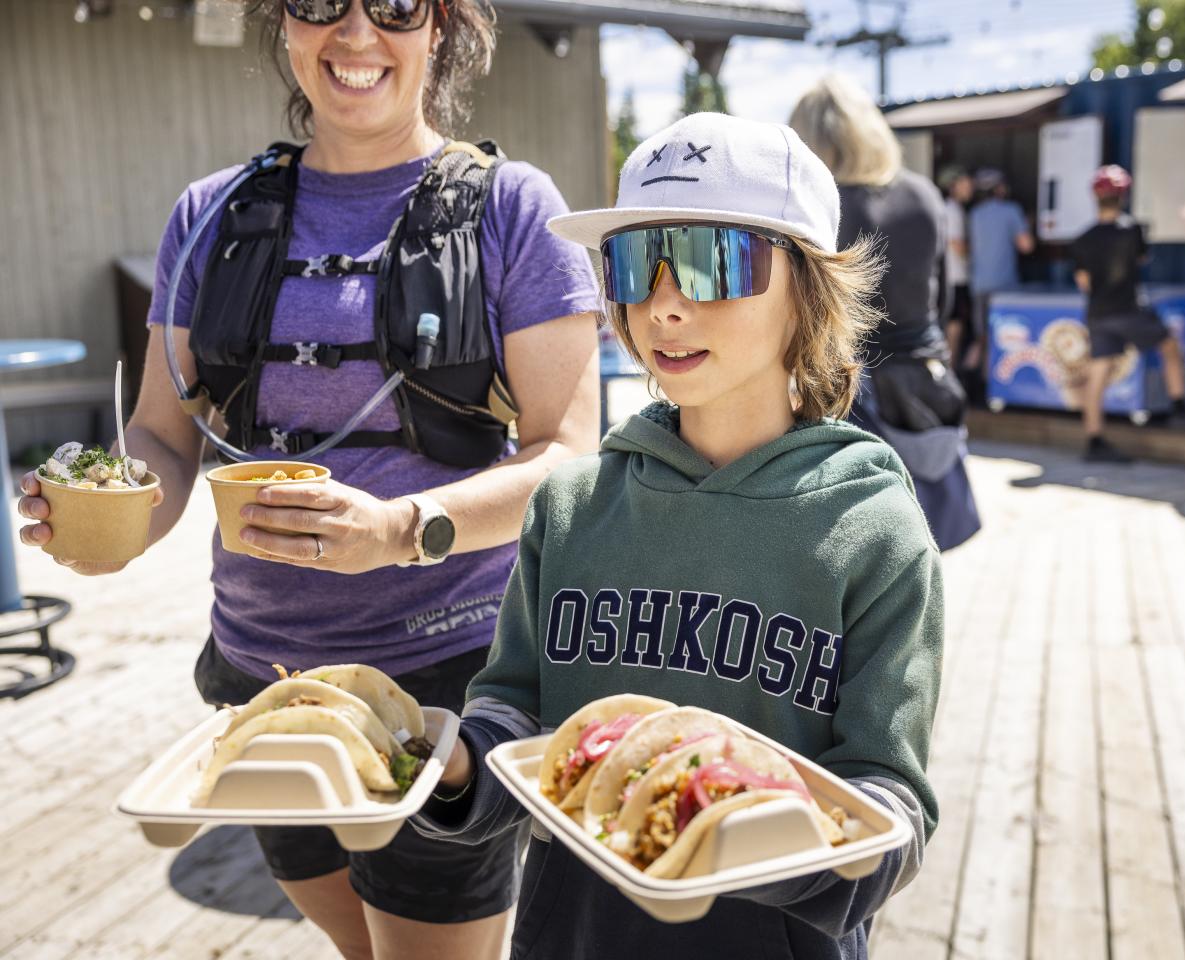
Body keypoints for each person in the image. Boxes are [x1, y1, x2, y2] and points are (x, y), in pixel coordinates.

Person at [16, 1, 602, 956]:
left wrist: (401, 528)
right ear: (283, 25)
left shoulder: (513, 210)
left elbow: (570, 458)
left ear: (443, 27)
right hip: (258, 682)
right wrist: (102, 511)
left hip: (440, 685)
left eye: (398, 6)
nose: (357, 32)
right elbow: (162, 440)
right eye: (320, 1)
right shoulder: (209, 218)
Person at [411, 111, 943, 960]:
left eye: (707, 259)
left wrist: (743, 835)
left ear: (807, 285)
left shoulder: (874, 530)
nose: (662, 303)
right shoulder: (571, 505)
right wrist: (456, 765)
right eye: (632, 263)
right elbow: (514, 718)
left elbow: (892, 804)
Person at [789, 74, 979, 550]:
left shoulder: (820, 208)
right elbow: (944, 297)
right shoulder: (924, 194)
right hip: (924, 372)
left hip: (848, 387)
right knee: (916, 540)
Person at [1071, 164, 1185, 463]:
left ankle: (1093, 438)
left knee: (1098, 373)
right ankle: (1180, 406)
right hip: (1128, 309)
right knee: (1169, 345)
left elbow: (1083, 282)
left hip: (1098, 312)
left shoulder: (1083, 238)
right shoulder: (1132, 230)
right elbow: (1142, 258)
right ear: (1123, 195)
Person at [964, 168, 1035, 390]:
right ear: (1000, 188)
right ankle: (993, 385)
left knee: (982, 335)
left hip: (978, 283)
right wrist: (1029, 223)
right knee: (1003, 337)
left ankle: (966, 380)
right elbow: (1026, 246)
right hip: (1004, 286)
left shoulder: (973, 214)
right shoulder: (1012, 210)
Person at [940, 166, 974, 372]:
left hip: (951, 276)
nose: (970, 187)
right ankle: (950, 371)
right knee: (955, 326)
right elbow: (957, 245)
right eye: (965, 183)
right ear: (953, 186)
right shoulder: (952, 210)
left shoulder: (950, 208)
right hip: (956, 277)